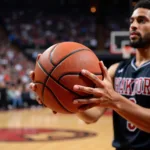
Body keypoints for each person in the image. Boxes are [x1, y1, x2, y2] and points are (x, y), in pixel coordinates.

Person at [29, 0, 150, 149]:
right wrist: (63, 97)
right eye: (132, 20)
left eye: (142, 20)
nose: (133, 25)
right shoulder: (115, 70)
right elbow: (92, 116)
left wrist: (115, 101)